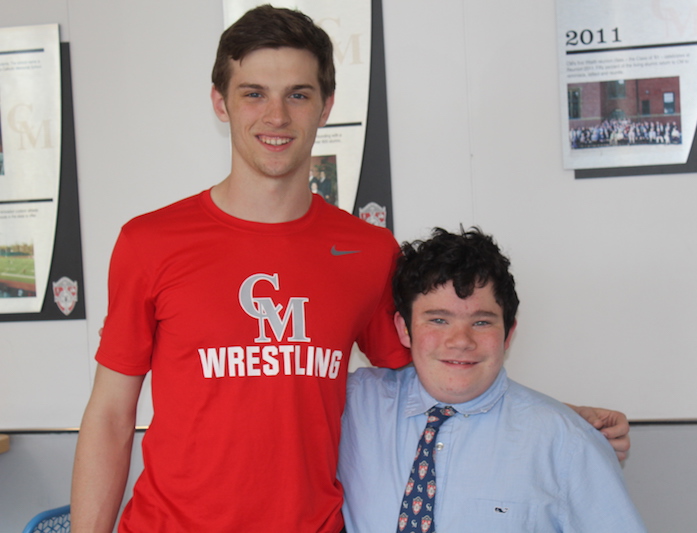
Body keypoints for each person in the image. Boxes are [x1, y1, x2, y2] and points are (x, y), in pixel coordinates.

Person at [71, 5, 629, 532]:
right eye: (253, 94)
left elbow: (431, 375)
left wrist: (556, 424)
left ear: (327, 104)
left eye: (298, 94)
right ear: (220, 102)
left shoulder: (367, 251)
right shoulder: (151, 242)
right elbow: (111, 418)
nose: (276, 115)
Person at [338, 227, 647, 532]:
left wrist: (566, 421)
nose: (461, 341)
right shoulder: (351, 407)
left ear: (508, 333)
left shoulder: (567, 443)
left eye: (482, 322)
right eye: (438, 320)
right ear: (405, 328)